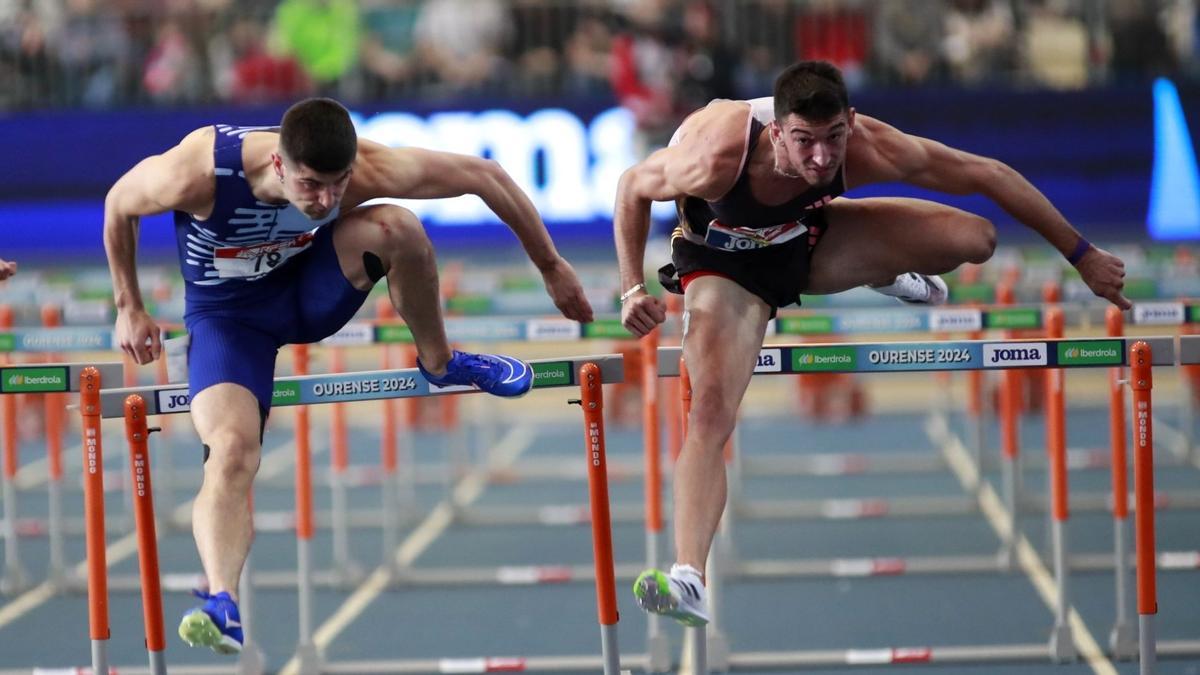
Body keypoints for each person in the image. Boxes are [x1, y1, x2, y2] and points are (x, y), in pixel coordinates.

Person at [615, 60, 1129, 626]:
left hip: (809, 242)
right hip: (724, 265)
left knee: (975, 238)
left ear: (851, 123)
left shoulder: (865, 147)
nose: (820, 157)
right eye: (805, 142)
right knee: (710, 409)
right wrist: (631, 288)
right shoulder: (716, 157)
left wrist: (1083, 256)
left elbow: (987, 173)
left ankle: (884, 270)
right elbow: (631, 187)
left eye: (833, 139)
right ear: (777, 131)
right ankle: (689, 577)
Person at [103, 98, 594, 653]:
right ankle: (221, 601)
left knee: (398, 226)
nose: (325, 200)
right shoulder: (198, 169)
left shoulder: (365, 170)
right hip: (227, 320)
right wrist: (130, 305)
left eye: (337, 185)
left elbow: (484, 176)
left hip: (311, 292)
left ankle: (440, 362)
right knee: (233, 450)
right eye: (311, 185)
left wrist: (550, 267)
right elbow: (119, 203)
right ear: (281, 165)